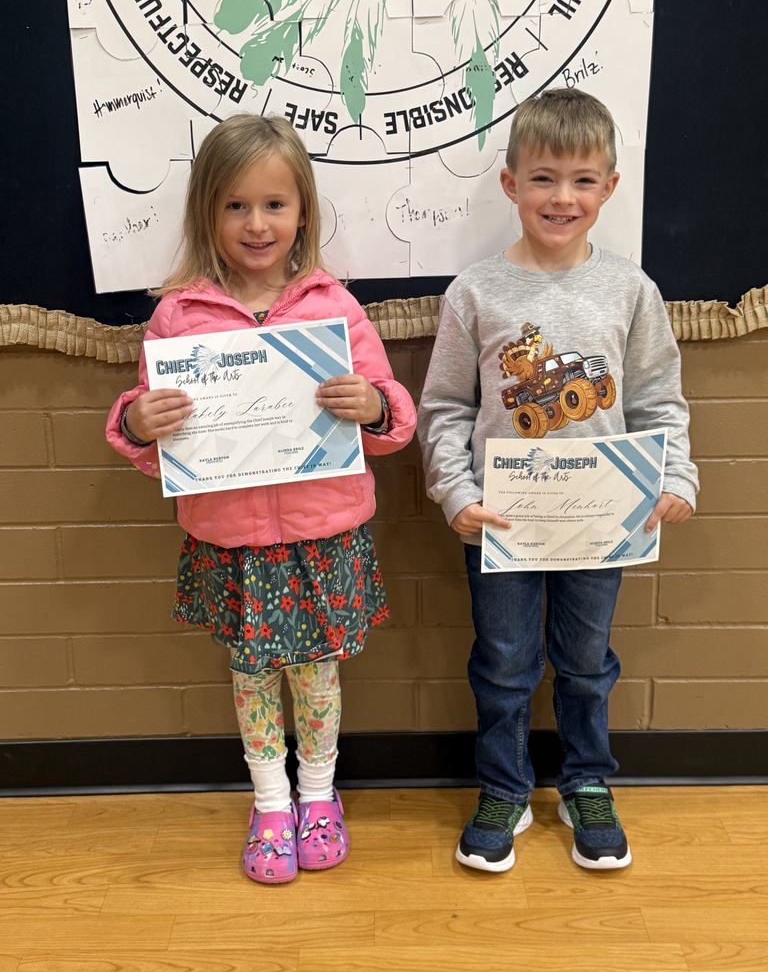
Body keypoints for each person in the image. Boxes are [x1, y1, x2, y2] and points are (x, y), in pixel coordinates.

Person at [106, 113, 417, 884]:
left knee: (315, 672)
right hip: (233, 538)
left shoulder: (333, 306)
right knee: (251, 675)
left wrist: (373, 407)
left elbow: (393, 420)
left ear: (302, 211)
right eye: (236, 205)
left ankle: (319, 793)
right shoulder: (179, 315)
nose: (257, 223)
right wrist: (137, 422)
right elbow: (151, 440)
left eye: (275, 205)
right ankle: (270, 801)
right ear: (208, 212)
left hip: (322, 533)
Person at [417, 88, 698, 873]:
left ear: (609, 188)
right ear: (510, 185)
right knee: (504, 660)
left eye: (581, 180)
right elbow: (442, 406)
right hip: (501, 522)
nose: (561, 197)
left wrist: (675, 474)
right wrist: (456, 491)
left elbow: (656, 399)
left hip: (601, 521)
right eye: (543, 178)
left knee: (585, 662)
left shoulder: (632, 290)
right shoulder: (475, 292)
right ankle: (504, 788)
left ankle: (586, 784)